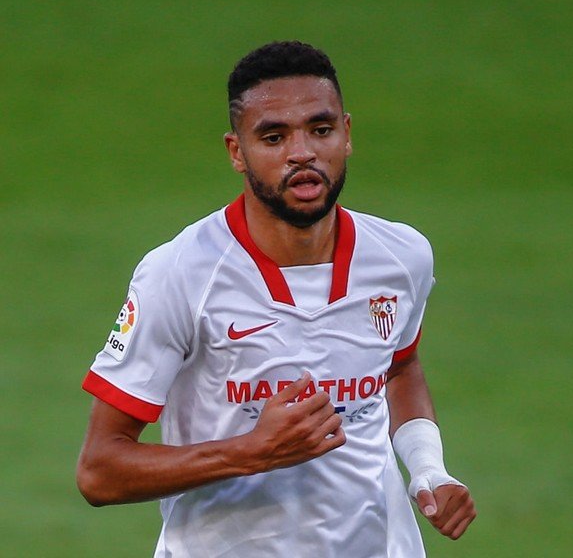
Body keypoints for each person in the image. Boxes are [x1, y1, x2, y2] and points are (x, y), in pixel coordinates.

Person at [76, 40, 476, 557]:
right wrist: (251, 452)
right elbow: (100, 471)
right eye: (273, 137)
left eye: (321, 129)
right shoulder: (179, 275)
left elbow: (399, 367)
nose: (302, 152)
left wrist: (427, 469)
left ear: (347, 134)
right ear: (236, 152)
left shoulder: (402, 257)